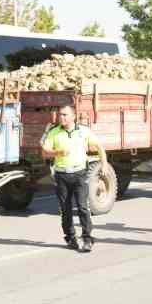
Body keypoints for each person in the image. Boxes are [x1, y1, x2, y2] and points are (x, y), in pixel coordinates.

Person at [41, 104, 104, 253]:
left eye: (65, 115)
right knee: (65, 208)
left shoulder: (83, 131)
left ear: (73, 116)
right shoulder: (54, 132)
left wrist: (104, 165)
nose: (61, 117)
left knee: (83, 206)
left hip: (79, 174)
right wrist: (58, 152)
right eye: (60, 115)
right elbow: (45, 152)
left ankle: (87, 238)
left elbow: (99, 146)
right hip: (62, 175)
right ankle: (70, 237)